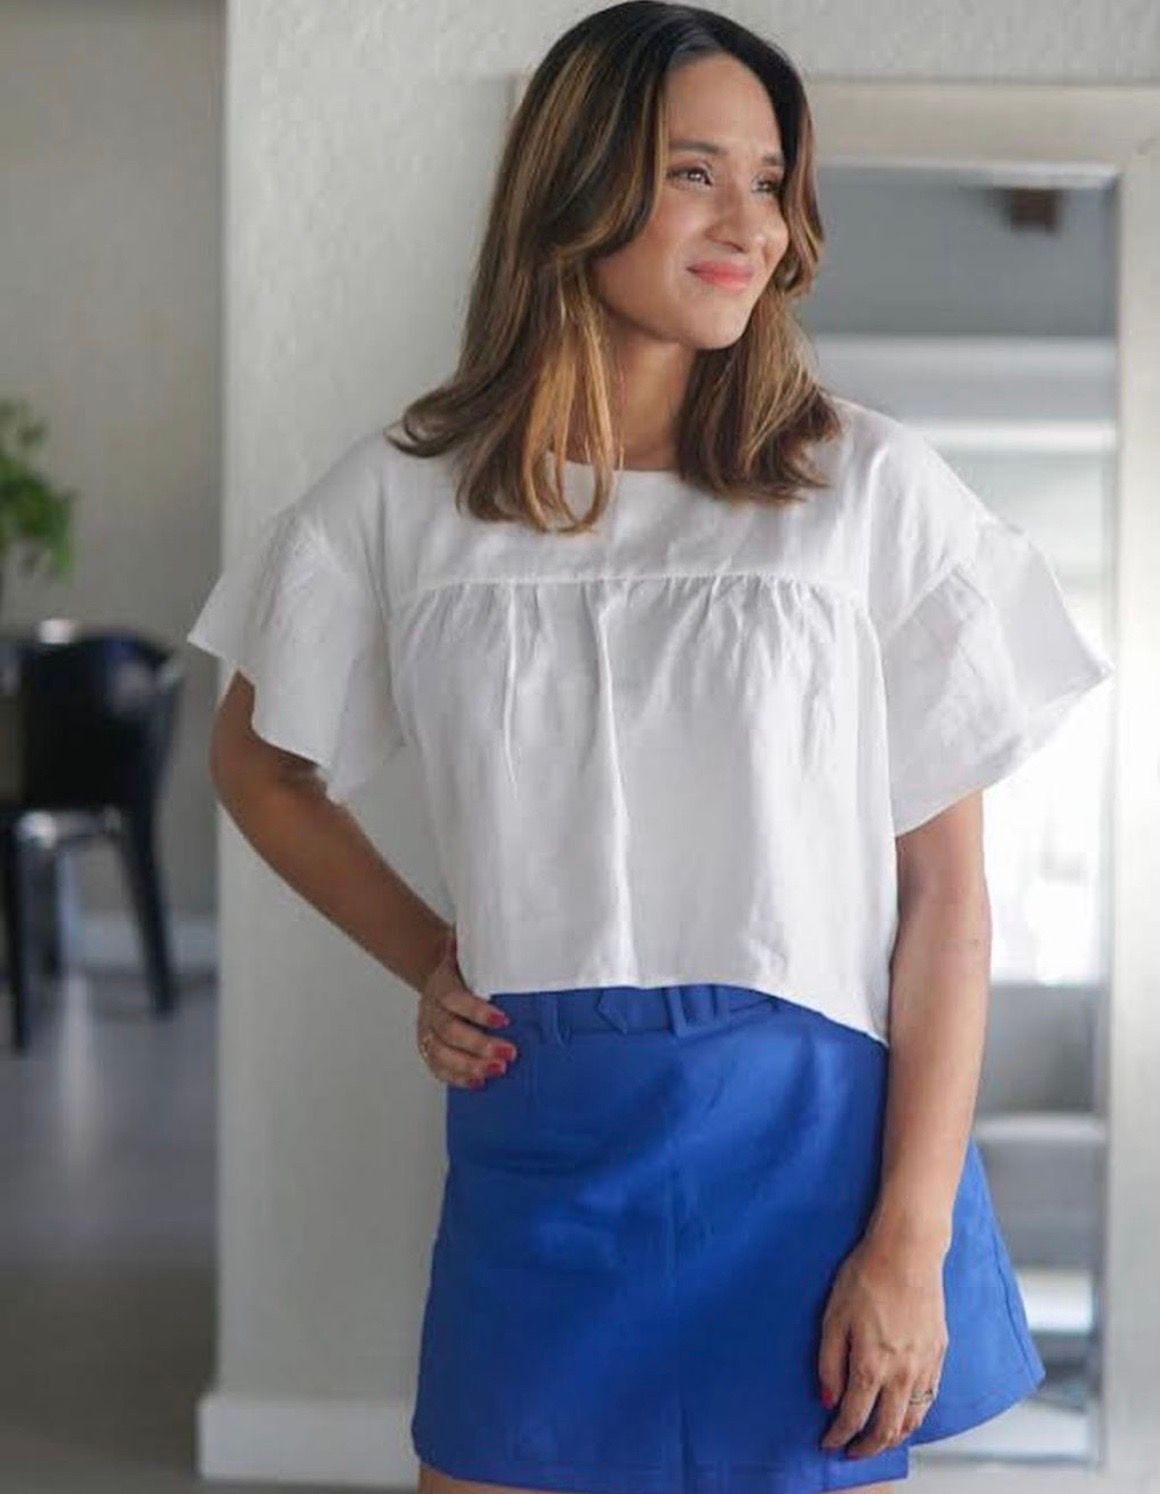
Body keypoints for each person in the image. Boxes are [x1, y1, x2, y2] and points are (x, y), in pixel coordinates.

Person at [186, 5, 1114, 1492]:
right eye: (694, 171)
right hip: (544, 1146)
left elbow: (946, 906)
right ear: (576, 186)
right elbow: (259, 762)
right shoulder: (410, 497)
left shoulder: (869, 490)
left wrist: (912, 1235)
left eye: (767, 177)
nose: (749, 221)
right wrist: (431, 950)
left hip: (808, 1167)